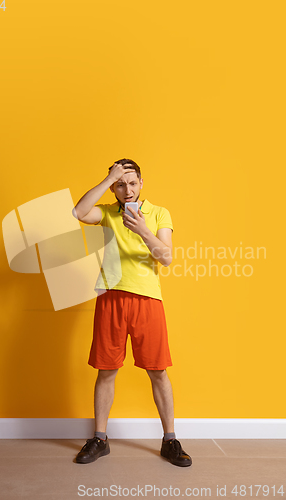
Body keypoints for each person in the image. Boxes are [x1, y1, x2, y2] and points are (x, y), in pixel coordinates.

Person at [72, 159, 192, 467]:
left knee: (158, 370)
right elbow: (79, 212)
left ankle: (170, 440)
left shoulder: (159, 213)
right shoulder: (109, 213)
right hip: (111, 297)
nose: (128, 189)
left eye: (132, 182)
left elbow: (166, 257)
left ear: (142, 183)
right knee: (106, 369)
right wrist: (107, 177)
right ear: (113, 187)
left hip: (147, 299)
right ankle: (100, 438)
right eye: (120, 184)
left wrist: (142, 230)